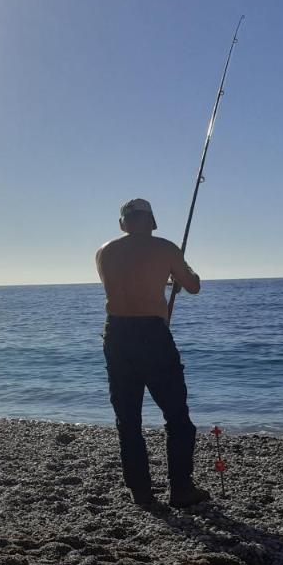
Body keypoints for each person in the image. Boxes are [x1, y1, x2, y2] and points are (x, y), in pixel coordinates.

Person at [96, 198, 210, 508]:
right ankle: (181, 490)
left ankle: (142, 493)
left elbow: (124, 284)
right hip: (153, 335)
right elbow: (194, 286)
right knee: (177, 418)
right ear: (152, 221)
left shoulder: (104, 251)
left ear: (123, 223)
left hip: (117, 335)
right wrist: (181, 273)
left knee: (128, 420)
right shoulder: (166, 248)